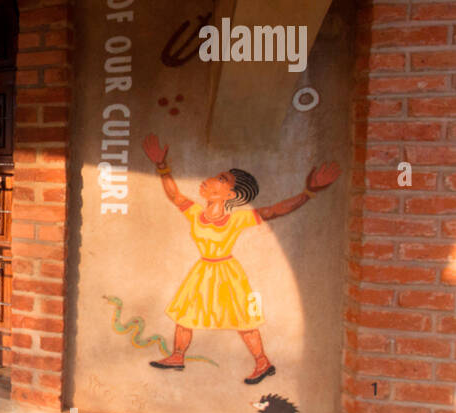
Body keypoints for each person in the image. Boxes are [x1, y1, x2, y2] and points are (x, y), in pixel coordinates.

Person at [141, 133, 340, 384]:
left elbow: (276, 210)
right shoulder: (196, 214)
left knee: (243, 319)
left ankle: (262, 362)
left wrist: (308, 192)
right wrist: (161, 166)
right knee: (185, 315)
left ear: (231, 195)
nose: (210, 180)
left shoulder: (237, 219)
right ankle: (178, 355)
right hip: (203, 271)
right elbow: (175, 196)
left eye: (221, 179)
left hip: (227, 273)